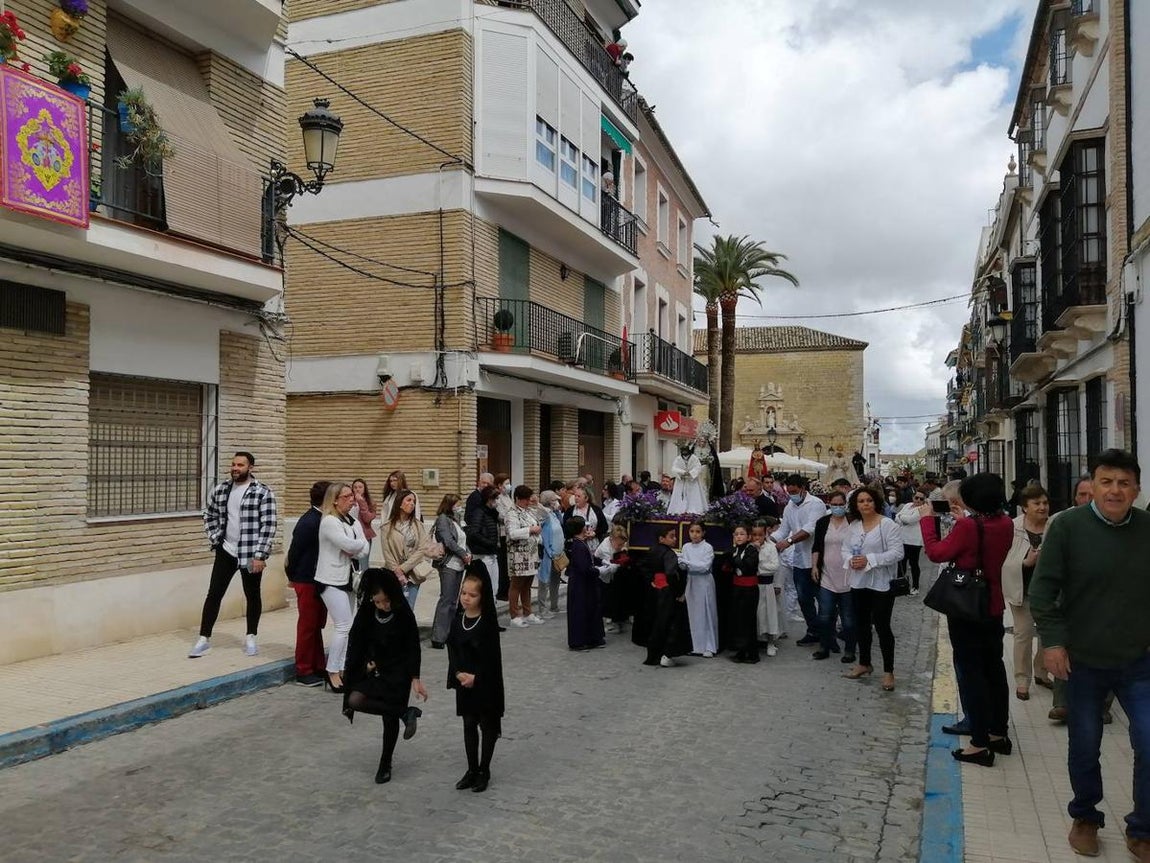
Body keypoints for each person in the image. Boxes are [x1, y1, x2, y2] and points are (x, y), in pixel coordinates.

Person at [1030, 450, 1150, 859]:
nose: (1115, 490)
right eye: (1106, 481)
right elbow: (1042, 591)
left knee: (1149, 741)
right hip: (1081, 661)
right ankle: (1085, 817)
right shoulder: (1068, 527)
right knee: (1085, 743)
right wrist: (1053, 642)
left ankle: (1142, 829)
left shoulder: (1147, 529)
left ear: (1136, 489)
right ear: (1093, 487)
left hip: (1138, 662)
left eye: (1124, 483)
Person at [919, 473, 1013, 767]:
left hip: (968, 606)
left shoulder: (968, 526)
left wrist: (927, 521)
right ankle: (998, 732)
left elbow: (936, 553)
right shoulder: (1005, 522)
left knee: (972, 673)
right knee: (994, 669)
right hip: (993, 604)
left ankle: (979, 743)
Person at [343, 569, 428, 784]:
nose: (383, 606)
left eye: (386, 601)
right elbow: (358, 641)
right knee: (355, 699)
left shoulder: (403, 613)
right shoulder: (368, 612)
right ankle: (406, 712)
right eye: (378, 602)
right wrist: (363, 664)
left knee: (389, 721)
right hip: (376, 671)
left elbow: (412, 646)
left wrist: (415, 678)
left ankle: (385, 763)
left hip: (398, 672)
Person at [191, 451, 278, 658]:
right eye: (233, 465)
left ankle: (251, 637)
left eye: (240, 465)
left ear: (250, 468)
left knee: (252, 594)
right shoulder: (221, 489)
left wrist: (260, 555)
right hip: (226, 551)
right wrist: (215, 538)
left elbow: (268, 525)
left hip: (251, 553)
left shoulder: (262, 492)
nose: (235, 468)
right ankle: (204, 638)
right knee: (214, 593)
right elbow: (209, 514)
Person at [1046, 475, 1115, 725]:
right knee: (1065, 648)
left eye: (1090, 495)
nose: (1086, 499)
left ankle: (1102, 705)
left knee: (1108, 652)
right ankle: (1062, 704)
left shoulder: (1116, 523)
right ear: (1075, 497)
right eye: (1081, 495)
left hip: (1108, 602)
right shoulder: (1063, 522)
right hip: (1070, 599)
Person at [446, 568, 504, 793]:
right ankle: (471, 769)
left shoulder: (487, 623)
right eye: (464, 593)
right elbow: (452, 649)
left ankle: (484, 770)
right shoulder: (457, 620)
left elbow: (492, 657)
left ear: (482, 597)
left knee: (487, 725)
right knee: (468, 724)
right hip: (463, 682)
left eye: (472, 595)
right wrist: (457, 673)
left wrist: (477, 677)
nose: (466, 598)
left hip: (485, 684)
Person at [842, 485, 903, 691]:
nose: (865, 504)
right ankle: (864, 663)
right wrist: (851, 560)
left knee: (883, 626)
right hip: (859, 582)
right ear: (855, 505)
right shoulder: (854, 526)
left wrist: (870, 559)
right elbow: (845, 549)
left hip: (881, 583)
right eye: (861, 501)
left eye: (868, 500)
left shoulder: (887, 525)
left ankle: (888, 671)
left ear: (875, 502)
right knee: (861, 624)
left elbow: (897, 552)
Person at [315, 482, 370, 691]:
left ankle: (344, 668)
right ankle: (332, 671)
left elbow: (364, 548)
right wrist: (354, 546)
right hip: (331, 579)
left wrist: (355, 547)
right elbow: (348, 545)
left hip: (349, 578)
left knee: (350, 626)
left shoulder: (352, 521)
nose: (351, 500)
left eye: (351, 496)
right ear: (335, 500)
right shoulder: (329, 521)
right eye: (346, 496)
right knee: (343, 625)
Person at [1000, 483, 1050, 701]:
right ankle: (1022, 680)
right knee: (1023, 634)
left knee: (1048, 634)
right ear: (1025, 507)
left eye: (1045, 503)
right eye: (1036, 503)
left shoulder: (1054, 526)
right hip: (1022, 590)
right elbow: (1003, 562)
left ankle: (1041, 671)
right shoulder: (1012, 528)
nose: (1042, 507)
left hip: (1049, 592)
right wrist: (1025, 563)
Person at [770, 474, 828, 646]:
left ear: (803, 488)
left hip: (817, 559)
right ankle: (813, 630)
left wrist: (788, 541)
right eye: (789, 492)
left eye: (794, 491)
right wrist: (769, 541)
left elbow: (810, 529)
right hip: (799, 560)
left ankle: (827, 632)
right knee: (804, 599)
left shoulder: (816, 504)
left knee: (822, 599)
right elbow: (783, 530)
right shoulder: (790, 506)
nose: (792, 495)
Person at [284, 480, 330, 686]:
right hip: (306, 579)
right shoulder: (309, 522)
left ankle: (317, 664)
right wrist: (293, 576)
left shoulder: (323, 520)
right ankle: (303, 669)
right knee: (307, 626)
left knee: (317, 624)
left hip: (318, 578)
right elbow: (294, 552)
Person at [811, 490, 856, 664]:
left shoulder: (853, 522)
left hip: (849, 576)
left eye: (840, 504)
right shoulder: (823, 522)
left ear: (845, 505)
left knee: (848, 618)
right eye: (834, 504)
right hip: (827, 575)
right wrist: (814, 566)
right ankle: (824, 646)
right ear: (829, 504)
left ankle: (850, 649)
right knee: (824, 615)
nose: (838, 507)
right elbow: (816, 546)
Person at [641, 523, 690, 666]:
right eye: (671, 536)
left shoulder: (652, 550)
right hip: (667, 592)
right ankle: (666, 654)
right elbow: (670, 573)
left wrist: (651, 580)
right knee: (670, 623)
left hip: (655, 591)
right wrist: (679, 592)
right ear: (661, 538)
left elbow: (643, 566)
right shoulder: (669, 554)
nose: (675, 539)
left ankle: (653, 655)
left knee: (655, 622)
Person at [430, 493, 471, 650]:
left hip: (459, 564)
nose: (459, 507)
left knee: (454, 601)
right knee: (446, 599)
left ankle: (449, 633)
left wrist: (468, 553)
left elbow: (462, 540)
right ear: (449, 505)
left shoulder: (456, 520)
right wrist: (463, 554)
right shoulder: (443, 520)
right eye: (457, 504)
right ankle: (438, 637)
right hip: (448, 563)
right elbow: (448, 541)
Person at [384, 489, 433, 610]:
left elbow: (422, 548)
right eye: (409, 500)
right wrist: (397, 570)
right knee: (394, 607)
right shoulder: (387, 526)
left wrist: (403, 568)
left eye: (414, 501)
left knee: (409, 608)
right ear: (400, 503)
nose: (412, 504)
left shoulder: (418, 525)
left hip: (413, 573)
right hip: (393, 573)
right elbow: (387, 552)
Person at [506, 485, 544, 628]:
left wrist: (537, 504)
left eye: (529, 499)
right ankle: (514, 615)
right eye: (525, 499)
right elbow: (513, 533)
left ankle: (528, 613)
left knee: (527, 584)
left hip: (532, 553)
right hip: (518, 555)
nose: (528, 502)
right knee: (516, 585)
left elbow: (544, 516)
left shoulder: (529, 511)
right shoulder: (512, 513)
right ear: (517, 498)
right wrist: (530, 529)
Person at [565, 516, 606, 650]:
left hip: (585, 583)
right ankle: (579, 641)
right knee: (581, 611)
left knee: (590, 609)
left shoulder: (580, 543)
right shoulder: (578, 546)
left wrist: (600, 562)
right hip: (580, 584)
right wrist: (599, 571)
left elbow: (590, 559)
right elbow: (585, 568)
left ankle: (592, 638)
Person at [680, 521, 717, 658]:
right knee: (692, 613)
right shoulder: (686, 547)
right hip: (691, 582)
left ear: (703, 533)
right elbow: (683, 566)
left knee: (706, 612)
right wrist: (682, 563)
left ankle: (708, 646)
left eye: (698, 531)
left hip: (704, 582)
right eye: (692, 531)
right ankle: (693, 645)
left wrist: (686, 562)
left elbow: (704, 566)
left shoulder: (708, 547)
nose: (694, 535)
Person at [728, 523, 762, 664]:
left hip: (749, 589)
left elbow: (748, 566)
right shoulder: (734, 549)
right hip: (737, 587)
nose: (739, 537)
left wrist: (734, 560)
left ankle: (753, 653)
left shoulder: (751, 550)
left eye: (742, 534)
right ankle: (741, 650)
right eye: (736, 534)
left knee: (748, 620)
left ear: (748, 537)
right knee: (738, 620)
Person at [750, 521, 781, 656]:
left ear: (765, 534)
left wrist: (759, 566)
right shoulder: (749, 547)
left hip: (767, 585)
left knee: (769, 614)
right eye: (754, 535)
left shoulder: (771, 547)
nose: (757, 538)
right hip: (753, 586)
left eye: (760, 535)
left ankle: (770, 642)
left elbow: (774, 567)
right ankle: (755, 640)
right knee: (756, 613)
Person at [465, 486, 501, 599]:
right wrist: (489, 542)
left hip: (492, 553)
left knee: (494, 586)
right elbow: (474, 533)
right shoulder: (479, 512)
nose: (498, 501)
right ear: (489, 499)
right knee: (486, 586)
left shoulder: (492, 513)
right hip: (483, 554)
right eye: (496, 499)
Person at [595, 525, 631, 634]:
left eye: (623, 543)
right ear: (612, 539)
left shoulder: (621, 543)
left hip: (615, 572)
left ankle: (619, 619)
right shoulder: (604, 548)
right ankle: (609, 621)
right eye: (619, 544)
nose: (621, 546)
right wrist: (620, 561)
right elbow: (611, 567)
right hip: (603, 573)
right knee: (606, 598)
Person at [536, 489, 566, 619]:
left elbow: (561, 525)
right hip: (549, 554)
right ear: (549, 502)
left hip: (558, 554)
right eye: (554, 500)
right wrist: (550, 552)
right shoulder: (545, 516)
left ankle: (554, 606)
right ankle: (542, 609)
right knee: (544, 581)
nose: (557, 502)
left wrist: (558, 511)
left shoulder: (554, 514)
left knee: (555, 581)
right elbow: (545, 536)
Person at [895, 489, 927, 595]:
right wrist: (901, 518)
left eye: (921, 499)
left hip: (914, 541)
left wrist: (901, 517)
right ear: (913, 497)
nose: (918, 500)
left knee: (914, 563)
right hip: (902, 538)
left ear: (924, 500)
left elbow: (911, 520)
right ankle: (901, 585)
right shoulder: (907, 505)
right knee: (902, 562)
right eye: (916, 497)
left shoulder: (922, 509)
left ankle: (915, 586)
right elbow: (896, 516)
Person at [668, 442, 707, 515]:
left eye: (686, 450)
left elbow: (698, 467)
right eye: (683, 451)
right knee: (679, 495)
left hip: (692, 481)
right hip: (681, 481)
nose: (684, 452)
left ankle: (694, 510)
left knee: (693, 495)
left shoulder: (694, 458)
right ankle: (678, 510)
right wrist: (682, 473)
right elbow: (674, 468)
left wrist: (691, 473)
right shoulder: (678, 459)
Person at [564, 485, 607, 549]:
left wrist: (595, 533)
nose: (576, 498)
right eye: (575, 496)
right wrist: (578, 536)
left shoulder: (596, 510)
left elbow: (604, 526)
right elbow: (565, 528)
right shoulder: (570, 511)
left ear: (586, 498)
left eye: (579, 496)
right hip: (577, 545)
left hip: (594, 545)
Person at [350, 478, 377, 572]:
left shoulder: (370, 503)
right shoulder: (349, 502)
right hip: (349, 536)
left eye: (360, 487)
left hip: (364, 537)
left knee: (363, 566)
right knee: (352, 566)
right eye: (355, 487)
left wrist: (361, 502)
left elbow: (367, 519)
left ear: (365, 489)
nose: (357, 489)